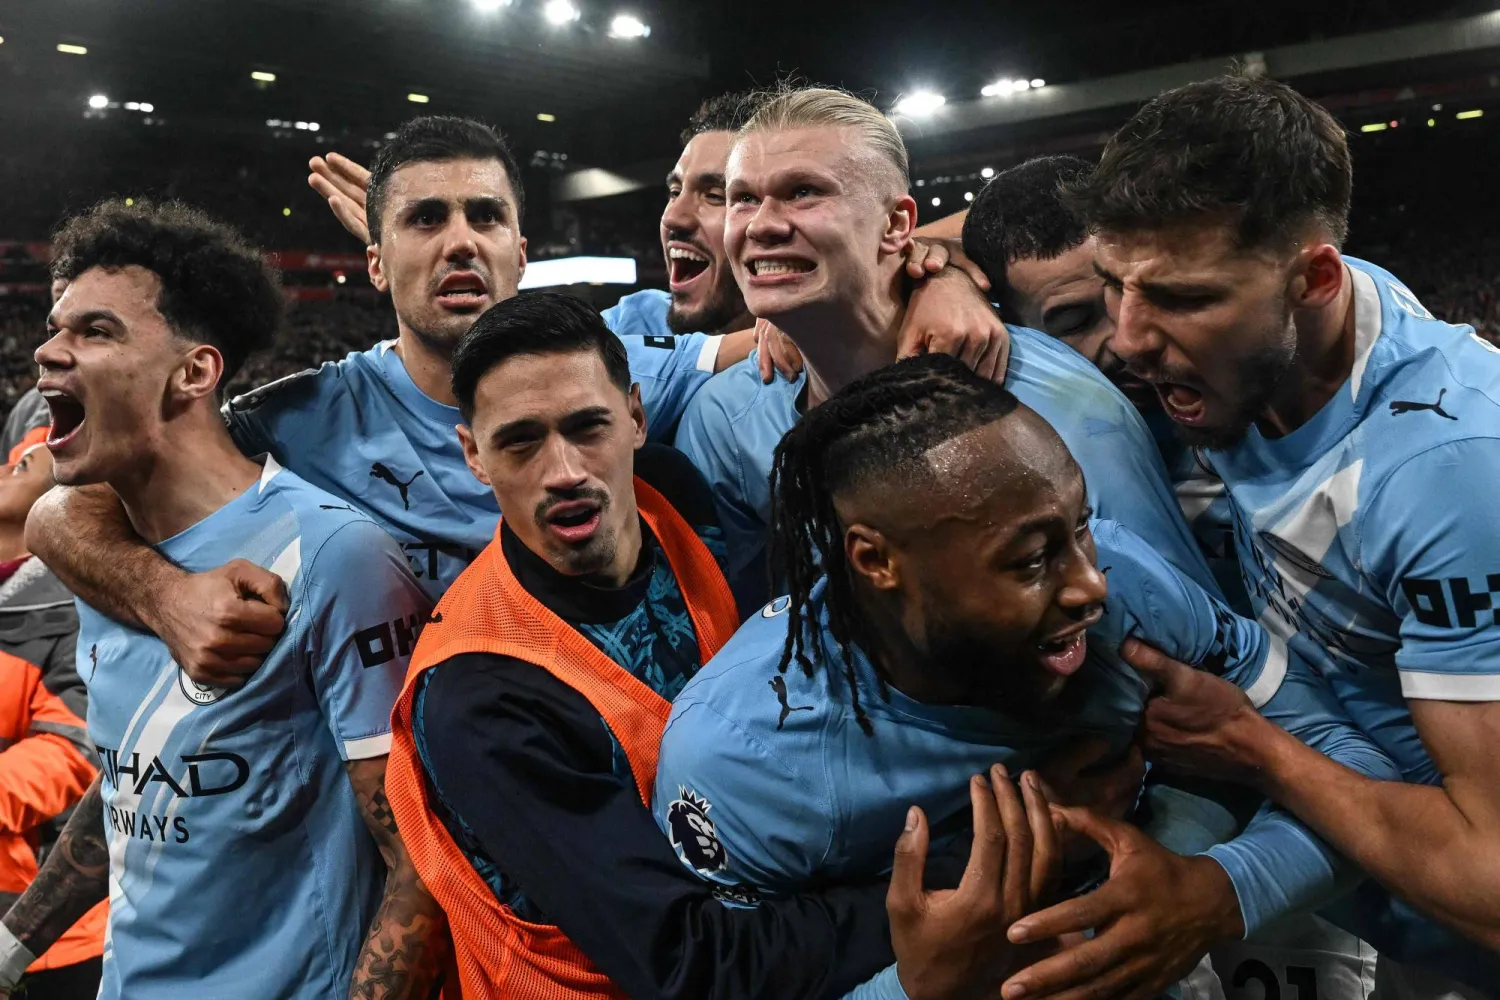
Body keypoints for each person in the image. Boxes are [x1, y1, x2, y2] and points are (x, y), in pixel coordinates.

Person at [655, 354, 1399, 1000]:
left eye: (1077, 525)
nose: (1091, 585)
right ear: (876, 562)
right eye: (1031, 560)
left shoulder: (1124, 584)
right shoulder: (742, 758)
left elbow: (1354, 763)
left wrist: (1215, 891)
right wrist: (925, 986)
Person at [381, 291, 1012, 1000]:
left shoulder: (674, 493)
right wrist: (968, 871)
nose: (563, 472)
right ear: (474, 455)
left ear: (636, 418)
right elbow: (691, 964)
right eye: (519, 441)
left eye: (588, 427)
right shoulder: (479, 695)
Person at [1065, 74, 1500, 995]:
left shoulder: (1446, 473)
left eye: (1182, 299)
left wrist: (1255, 747)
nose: (1129, 338)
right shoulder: (1285, 336)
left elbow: (1492, 880)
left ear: (1314, 280)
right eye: (1112, 286)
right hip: (1354, 875)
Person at [0, 200, 441, 1000]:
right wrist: (13, 941)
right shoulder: (110, 558)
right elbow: (143, 777)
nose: (47, 352)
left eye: (95, 332)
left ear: (195, 373)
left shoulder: (335, 555)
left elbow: (420, 860)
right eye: (55, 326)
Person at [675, 85, 1215, 614]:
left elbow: (1186, 632)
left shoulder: (1054, 396)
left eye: (803, 192)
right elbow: (752, 634)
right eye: (744, 198)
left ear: (896, 225)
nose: (764, 224)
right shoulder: (723, 420)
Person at [961, 155, 1244, 611]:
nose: (1126, 340)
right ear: (1018, 332)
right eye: (1075, 322)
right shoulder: (1034, 464)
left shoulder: (1250, 360)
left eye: (1123, 291)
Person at [0, 443, 105, 1000]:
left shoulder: (81, 604)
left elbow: (75, 745)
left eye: (21, 466)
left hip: (45, 935)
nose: (0, 470)